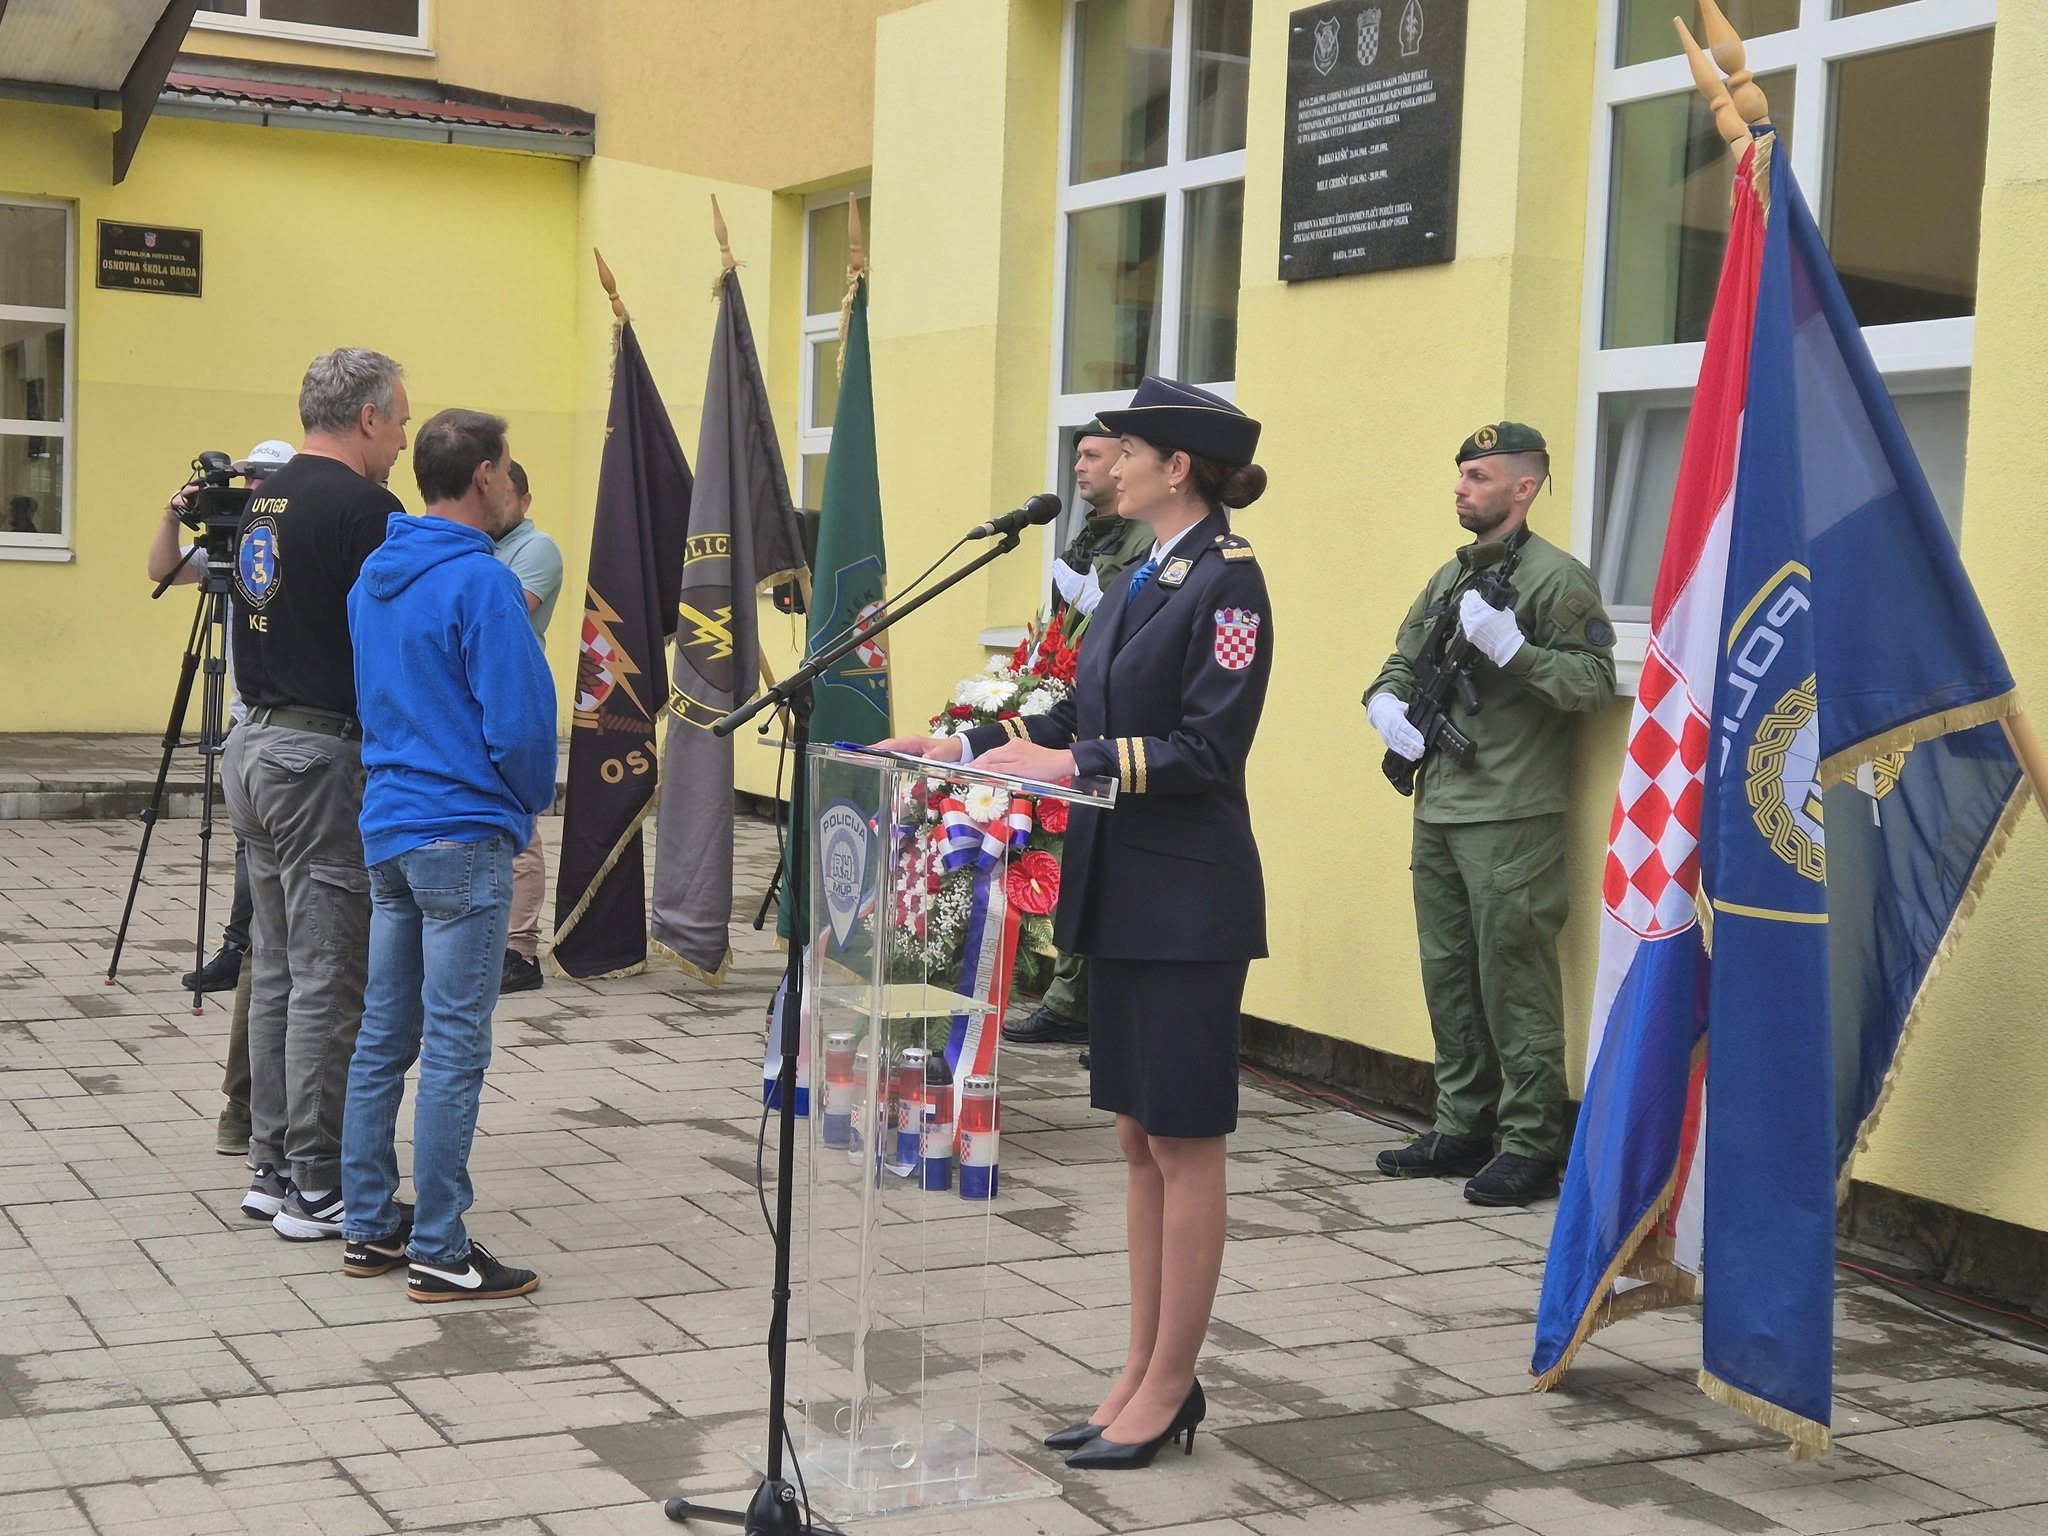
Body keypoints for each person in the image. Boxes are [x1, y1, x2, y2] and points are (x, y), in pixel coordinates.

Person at [881, 376, 1272, 1471]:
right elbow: (1076, 709)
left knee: (1184, 1142)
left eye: (1123, 446)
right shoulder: (1137, 575)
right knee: (1137, 1137)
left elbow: (1205, 749)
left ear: (1175, 467)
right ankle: (1139, 1370)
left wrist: (1071, 764)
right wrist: (963, 746)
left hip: (1187, 900)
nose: (1103, 458)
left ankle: (1169, 1382)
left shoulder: (1225, 588)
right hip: (1126, 890)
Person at [1364, 422, 1616, 1208]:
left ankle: (1533, 1140)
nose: (1462, 488)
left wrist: (1516, 653)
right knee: (1449, 973)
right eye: (1462, 475)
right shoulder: (1450, 575)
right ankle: (1461, 1123)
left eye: (1479, 476)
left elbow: (1592, 684)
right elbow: (1405, 657)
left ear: (1525, 486)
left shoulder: (1555, 580)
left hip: (1511, 812)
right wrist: (1384, 702)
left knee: (1515, 978)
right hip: (1440, 806)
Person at [340, 409, 556, 1301]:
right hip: (461, 833)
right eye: (508, 470)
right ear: (481, 477)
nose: (512, 484)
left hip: (389, 827)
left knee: (383, 1036)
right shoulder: (482, 583)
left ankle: (367, 1224)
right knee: (457, 1044)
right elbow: (518, 725)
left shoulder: (372, 578)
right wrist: (520, 805)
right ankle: (439, 1243)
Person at [221, 348, 409, 1240]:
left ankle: (269, 1165)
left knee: (279, 968)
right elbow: (394, 636)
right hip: (317, 755)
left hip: (253, 744)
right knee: (329, 978)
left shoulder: (265, 492)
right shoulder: (367, 508)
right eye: (400, 420)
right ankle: (318, 1182)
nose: (404, 440)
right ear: (367, 417)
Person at [146, 438, 295, 1157]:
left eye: (271, 479)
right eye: (251, 478)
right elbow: (160, 570)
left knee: (266, 902)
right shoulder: (230, 552)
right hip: (252, 730)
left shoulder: (287, 544)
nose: (258, 489)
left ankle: (238, 943)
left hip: (271, 732)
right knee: (266, 887)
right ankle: (239, 943)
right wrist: (173, 516)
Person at [1008, 422, 1154, 1050]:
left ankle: (1106, 1013)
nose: (1082, 468)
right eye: (1078, 456)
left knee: (1114, 874)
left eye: (1093, 456)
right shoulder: (1093, 530)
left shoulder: (1151, 536)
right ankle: (1070, 998)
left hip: (1126, 735)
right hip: (1077, 710)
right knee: (1079, 859)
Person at [492, 459, 564, 995]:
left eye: (504, 496)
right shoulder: (481, 545)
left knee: (521, 830)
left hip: (515, 698)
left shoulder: (535, 549)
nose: (495, 505)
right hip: (475, 699)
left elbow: (503, 613)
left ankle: (521, 950)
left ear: (524, 499)